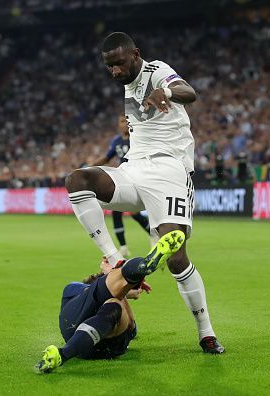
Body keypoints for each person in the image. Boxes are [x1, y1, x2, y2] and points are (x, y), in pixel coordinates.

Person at [65, 32, 224, 354]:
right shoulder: (126, 83)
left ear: (135, 54)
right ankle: (117, 260)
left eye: (119, 63)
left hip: (170, 171)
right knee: (77, 179)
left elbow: (188, 92)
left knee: (177, 257)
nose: (114, 71)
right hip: (133, 169)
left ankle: (206, 332)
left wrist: (164, 91)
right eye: (109, 66)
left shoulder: (156, 70)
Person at [36, 230, 185, 373]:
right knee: (114, 302)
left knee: (111, 300)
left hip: (75, 335)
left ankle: (62, 355)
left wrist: (119, 283)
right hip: (110, 346)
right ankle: (140, 267)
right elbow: (131, 324)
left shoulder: (76, 292)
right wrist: (122, 286)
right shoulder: (85, 291)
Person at [92, 114, 152, 257]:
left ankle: (153, 234)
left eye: (126, 120)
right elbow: (107, 158)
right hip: (124, 177)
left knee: (135, 213)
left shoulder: (137, 138)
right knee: (117, 211)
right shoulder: (116, 141)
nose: (124, 123)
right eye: (121, 121)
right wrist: (90, 167)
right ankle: (123, 247)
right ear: (119, 124)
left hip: (139, 177)